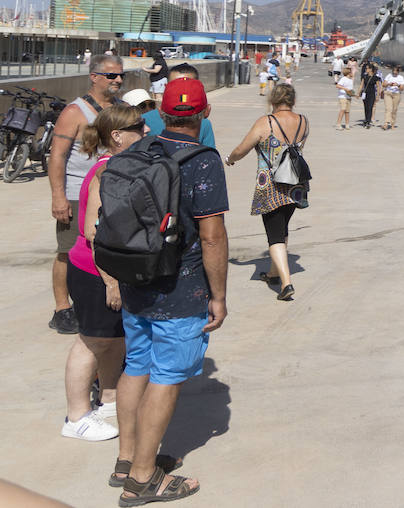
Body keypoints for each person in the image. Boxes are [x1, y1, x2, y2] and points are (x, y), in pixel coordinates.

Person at [108, 78, 227, 505]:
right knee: (167, 375)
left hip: (136, 279)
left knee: (136, 365)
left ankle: (126, 459)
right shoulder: (202, 160)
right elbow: (212, 236)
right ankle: (142, 479)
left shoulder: (141, 148)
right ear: (204, 112)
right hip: (180, 288)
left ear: (161, 111)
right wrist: (218, 295)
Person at [60, 104, 147, 443]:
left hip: (112, 271)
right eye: (138, 128)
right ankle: (76, 416)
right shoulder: (106, 171)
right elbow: (94, 232)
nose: (146, 132)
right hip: (93, 271)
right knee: (91, 341)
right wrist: (110, 282)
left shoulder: (118, 166)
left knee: (114, 340)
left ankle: (109, 399)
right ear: (117, 136)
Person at [45, 55, 127, 335]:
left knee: (105, 251)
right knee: (68, 251)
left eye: (120, 76)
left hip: (110, 193)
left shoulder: (120, 109)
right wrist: (58, 196)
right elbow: (56, 156)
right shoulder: (74, 112)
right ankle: (61, 308)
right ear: (94, 76)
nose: (117, 80)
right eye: (111, 76)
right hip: (77, 192)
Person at [225, 83, 309, 301]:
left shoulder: (266, 122)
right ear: (292, 100)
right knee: (282, 228)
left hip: (270, 186)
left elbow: (242, 149)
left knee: (274, 236)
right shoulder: (303, 122)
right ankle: (273, 273)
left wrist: (230, 159)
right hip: (295, 185)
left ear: (273, 99)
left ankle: (286, 283)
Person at [145, 65, 216, 149]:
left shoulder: (205, 124)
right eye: (176, 85)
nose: (183, 90)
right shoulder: (144, 120)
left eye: (190, 85)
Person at [381, 65, 404, 130]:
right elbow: (383, 84)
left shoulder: (401, 78)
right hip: (388, 93)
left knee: (394, 110)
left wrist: (398, 85)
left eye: (396, 71)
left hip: (396, 94)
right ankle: (386, 123)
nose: (394, 72)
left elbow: (402, 88)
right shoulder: (389, 76)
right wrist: (389, 84)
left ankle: (392, 124)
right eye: (393, 71)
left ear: (398, 71)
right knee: (388, 108)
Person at [359, 63, 381, 128]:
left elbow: (378, 87)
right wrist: (358, 93)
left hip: (372, 94)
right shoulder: (364, 76)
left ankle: (368, 121)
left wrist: (377, 96)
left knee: (370, 107)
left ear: (371, 69)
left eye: (367, 68)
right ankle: (366, 120)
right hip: (365, 93)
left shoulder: (375, 77)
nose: (366, 69)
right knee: (366, 108)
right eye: (365, 68)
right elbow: (361, 85)